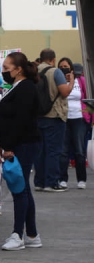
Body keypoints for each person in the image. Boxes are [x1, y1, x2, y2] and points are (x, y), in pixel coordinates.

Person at [0, 52, 42, 251]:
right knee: (23, 189)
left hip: (23, 144)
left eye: (6, 68)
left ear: (18, 69)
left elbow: (20, 120)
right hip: (16, 143)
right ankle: (32, 234)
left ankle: (18, 234)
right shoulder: (17, 87)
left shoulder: (26, 88)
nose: (3, 71)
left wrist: (10, 147)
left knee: (19, 189)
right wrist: (1, 143)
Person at [34, 48, 72, 192]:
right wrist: (71, 81)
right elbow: (65, 92)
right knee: (53, 150)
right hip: (54, 116)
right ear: (53, 59)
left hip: (37, 116)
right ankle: (51, 182)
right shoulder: (55, 72)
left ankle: (39, 182)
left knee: (40, 151)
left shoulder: (34, 72)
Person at [58, 58, 89, 189]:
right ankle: (62, 179)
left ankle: (81, 179)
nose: (64, 68)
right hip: (63, 118)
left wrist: (90, 116)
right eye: (61, 66)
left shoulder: (80, 81)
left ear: (71, 67)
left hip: (79, 118)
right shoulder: (58, 81)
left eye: (66, 66)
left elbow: (87, 98)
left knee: (79, 150)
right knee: (63, 151)